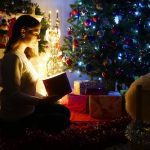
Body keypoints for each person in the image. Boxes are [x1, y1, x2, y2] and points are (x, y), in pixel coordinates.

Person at [0, 15, 70, 133]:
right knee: (62, 120)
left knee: (64, 111)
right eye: (36, 33)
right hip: (17, 119)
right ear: (23, 31)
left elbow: (27, 89)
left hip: (30, 109)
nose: (38, 38)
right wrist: (41, 102)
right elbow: (13, 95)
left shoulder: (22, 55)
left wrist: (45, 98)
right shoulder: (13, 58)